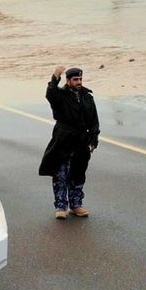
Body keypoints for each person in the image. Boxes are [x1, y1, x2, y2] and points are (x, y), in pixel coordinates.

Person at [37, 65, 100, 219]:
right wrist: (55, 76)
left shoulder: (87, 97)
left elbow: (93, 121)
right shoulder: (61, 95)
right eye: (75, 79)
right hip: (63, 139)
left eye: (80, 79)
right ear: (68, 80)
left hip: (81, 141)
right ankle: (61, 206)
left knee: (78, 174)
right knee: (61, 174)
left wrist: (93, 140)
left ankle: (76, 205)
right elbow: (50, 93)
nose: (78, 82)